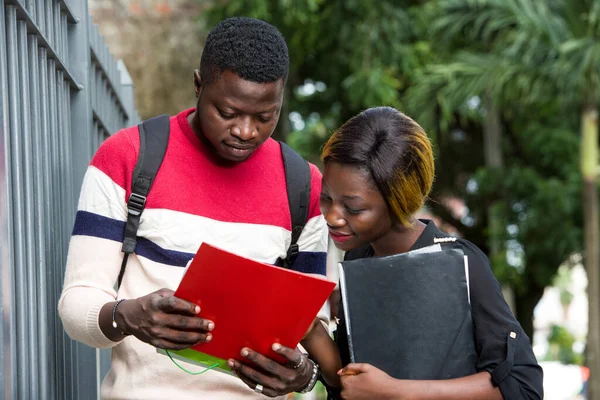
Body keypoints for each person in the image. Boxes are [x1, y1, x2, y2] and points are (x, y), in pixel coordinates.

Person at [58, 17, 328, 400]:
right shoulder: (128, 158)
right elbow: (76, 304)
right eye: (229, 112)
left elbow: (312, 328)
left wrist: (304, 375)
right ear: (198, 85)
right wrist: (128, 316)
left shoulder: (303, 185)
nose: (246, 131)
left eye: (265, 117)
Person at [298, 106, 544, 400]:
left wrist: (398, 392)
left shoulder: (459, 263)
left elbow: (523, 385)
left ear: (399, 201)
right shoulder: (357, 259)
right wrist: (307, 327)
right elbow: (352, 382)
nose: (333, 216)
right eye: (327, 198)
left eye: (353, 208)